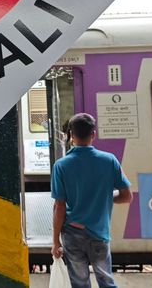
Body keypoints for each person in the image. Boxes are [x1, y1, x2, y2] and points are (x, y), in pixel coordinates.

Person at [51, 113, 132, 288]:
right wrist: (104, 198)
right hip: (99, 234)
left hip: (72, 233)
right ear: (93, 134)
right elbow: (127, 196)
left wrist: (56, 241)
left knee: (80, 283)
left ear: (71, 136)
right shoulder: (109, 160)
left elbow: (59, 206)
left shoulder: (61, 166)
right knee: (106, 281)